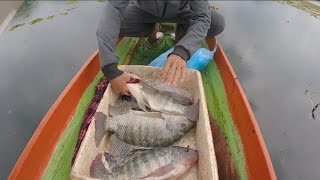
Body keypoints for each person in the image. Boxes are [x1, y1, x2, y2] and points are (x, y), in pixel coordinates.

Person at [97, 0, 225, 95]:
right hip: (144, 12)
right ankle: (150, 28)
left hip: (182, 12)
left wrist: (183, 51)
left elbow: (202, 17)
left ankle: (181, 32)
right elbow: (112, 10)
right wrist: (110, 69)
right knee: (115, 23)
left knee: (216, 23)